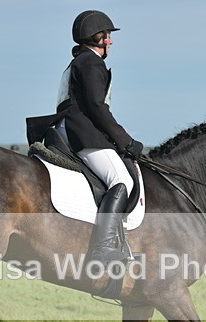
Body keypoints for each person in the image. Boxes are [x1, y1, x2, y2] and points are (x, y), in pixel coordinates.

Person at [55, 10, 144, 265]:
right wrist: (126, 140)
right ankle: (103, 249)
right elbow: (97, 107)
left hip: (66, 128)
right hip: (81, 133)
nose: (111, 41)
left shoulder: (77, 62)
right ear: (96, 37)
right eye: (107, 35)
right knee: (122, 181)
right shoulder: (92, 62)